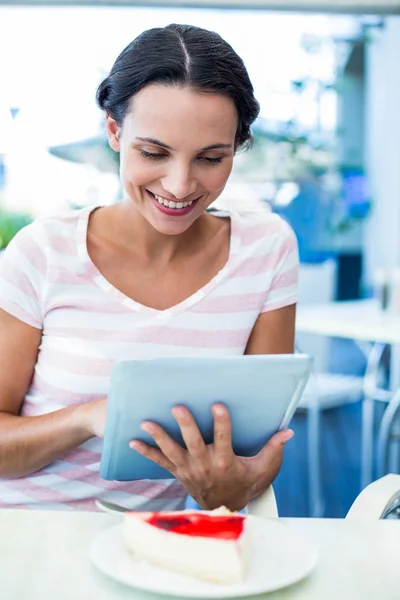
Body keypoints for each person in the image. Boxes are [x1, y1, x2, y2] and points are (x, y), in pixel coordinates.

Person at [0, 23, 298, 512]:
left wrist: (233, 485)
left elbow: (261, 450)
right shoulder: (44, 252)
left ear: (237, 148)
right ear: (115, 132)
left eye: (211, 158)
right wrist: (89, 418)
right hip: (24, 531)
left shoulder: (266, 251)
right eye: (153, 152)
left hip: (149, 547)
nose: (180, 186)